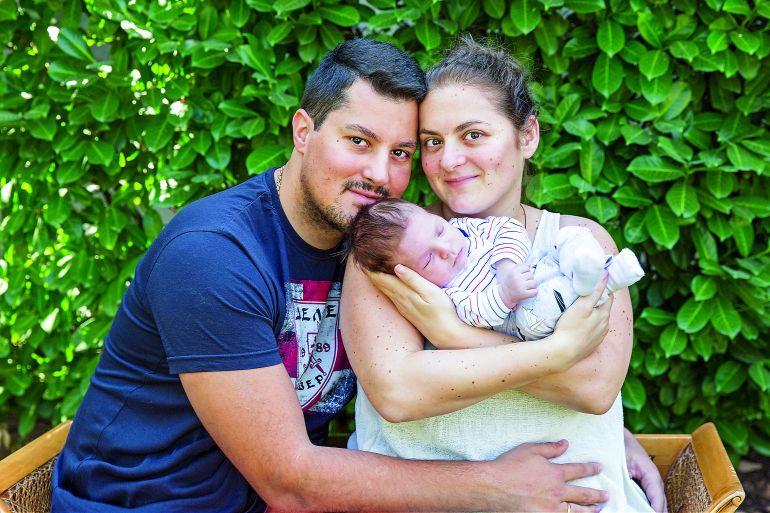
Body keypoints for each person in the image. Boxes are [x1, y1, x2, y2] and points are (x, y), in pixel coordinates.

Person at [51, 38, 623, 513]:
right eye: (358, 141)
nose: (379, 174)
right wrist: (493, 485)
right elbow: (294, 478)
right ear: (303, 131)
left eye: (402, 152)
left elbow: (586, 387)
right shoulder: (212, 257)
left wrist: (606, 440)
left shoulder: (383, 246)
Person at [341, 36, 668, 513]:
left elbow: (595, 387)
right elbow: (398, 391)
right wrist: (557, 354)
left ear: (527, 135)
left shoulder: (579, 242)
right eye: (433, 142)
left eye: (473, 135)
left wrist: (454, 334)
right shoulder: (393, 248)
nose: (449, 160)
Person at [347, 197, 645, 341]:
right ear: (410, 275)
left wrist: (506, 266)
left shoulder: (464, 228)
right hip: (526, 314)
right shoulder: (451, 291)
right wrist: (505, 294)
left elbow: (508, 229)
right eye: (428, 260)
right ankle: (604, 281)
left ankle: (589, 266)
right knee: (541, 308)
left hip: (539, 267)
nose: (446, 249)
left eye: (438, 230)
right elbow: (475, 314)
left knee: (570, 236)